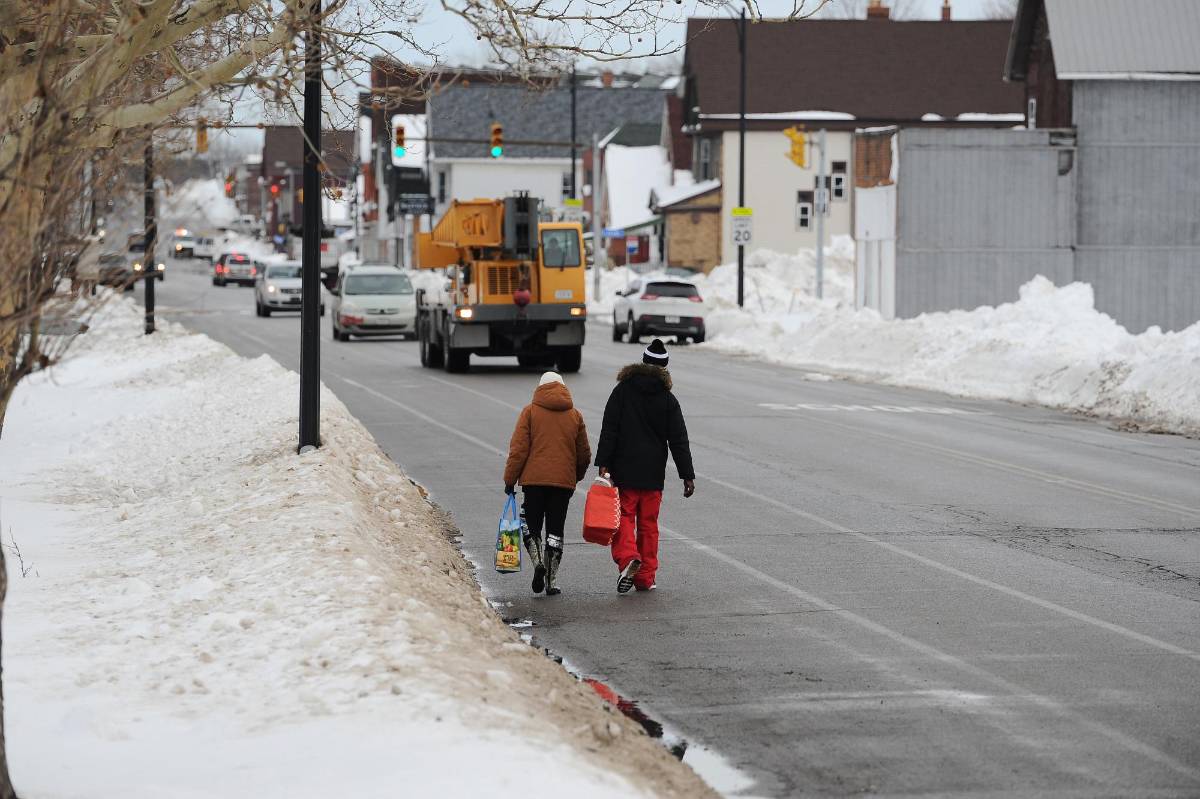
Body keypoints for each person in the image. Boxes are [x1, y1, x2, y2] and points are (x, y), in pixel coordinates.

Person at [595, 339, 695, 594]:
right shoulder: (667, 399)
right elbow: (678, 439)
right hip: (652, 474)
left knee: (624, 518)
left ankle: (629, 559)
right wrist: (687, 475)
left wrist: (604, 462)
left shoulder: (622, 391)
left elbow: (610, 428)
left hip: (625, 471)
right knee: (649, 525)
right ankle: (645, 578)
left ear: (642, 362)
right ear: (664, 368)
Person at [504, 372, 591, 595]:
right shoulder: (575, 415)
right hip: (563, 484)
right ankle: (551, 581)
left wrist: (510, 479)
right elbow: (584, 454)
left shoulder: (530, 412)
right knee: (555, 530)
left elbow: (518, 450)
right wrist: (575, 476)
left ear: (540, 388)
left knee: (529, 523)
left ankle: (537, 563)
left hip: (533, 482)